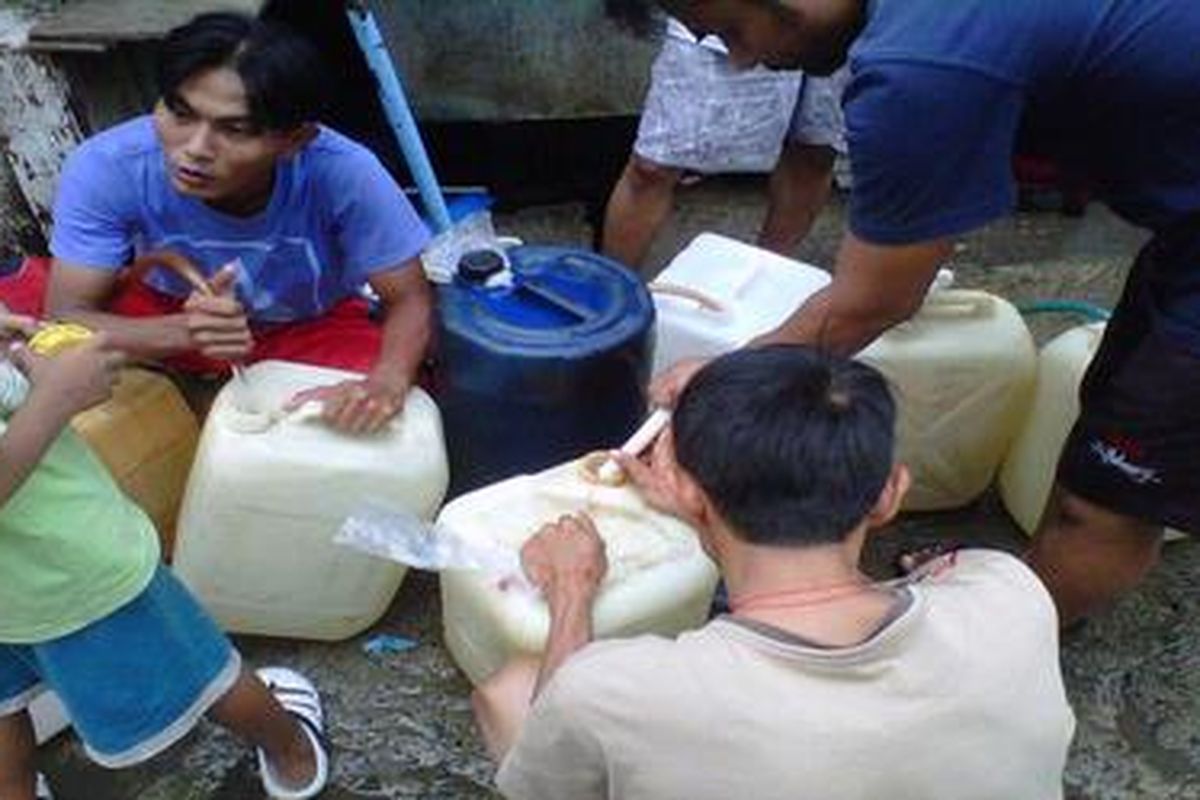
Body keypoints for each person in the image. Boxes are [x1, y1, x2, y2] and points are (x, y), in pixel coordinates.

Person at [607, 0, 1200, 625]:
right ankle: (1029, 575)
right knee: (1105, 424)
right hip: (1183, 231)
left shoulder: (918, 67)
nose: (744, 58)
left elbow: (876, 302)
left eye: (732, 30)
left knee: (1111, 498)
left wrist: (726, 375)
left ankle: (990, 660)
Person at [472, 346, 1075, 800]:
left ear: (685, 492)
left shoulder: (617, 689)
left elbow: (545, 775)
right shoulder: (1010, 591)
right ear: (891, 494)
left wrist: (572, 591)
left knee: (509, 692)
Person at [40, 12, 433, 433]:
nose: (194, 149)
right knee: (35, 345)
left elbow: (409, 299)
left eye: (236, 130)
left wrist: (385, 383)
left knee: (400, 397)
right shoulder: (107, 166)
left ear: (294, 141)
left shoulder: (346, 173)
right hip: (162, 312)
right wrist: (184, 332)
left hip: (305, 324)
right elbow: (66, 313)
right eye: (180, 113)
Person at [0, 311, 329, 800]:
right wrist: (56, 396)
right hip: (72, 573)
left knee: (4, 705)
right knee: (206, 670)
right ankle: (293, 754)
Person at [602, 15, 846, 270]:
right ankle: (610, 291)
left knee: (816, 149)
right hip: (733, 16)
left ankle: (762, 275)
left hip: (844, 16)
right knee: (654, 165)